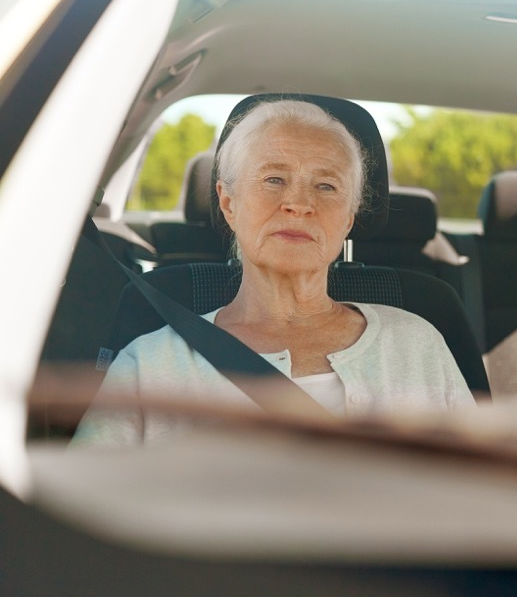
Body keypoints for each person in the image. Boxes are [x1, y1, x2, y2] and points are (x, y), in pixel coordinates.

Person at [75, 100, 474, 445]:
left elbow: (480, 494)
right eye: (274, 179)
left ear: (349, 218)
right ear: (229, 203)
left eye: (327, 187)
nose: (298, 204)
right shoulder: (151, 364)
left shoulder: (417, 343)